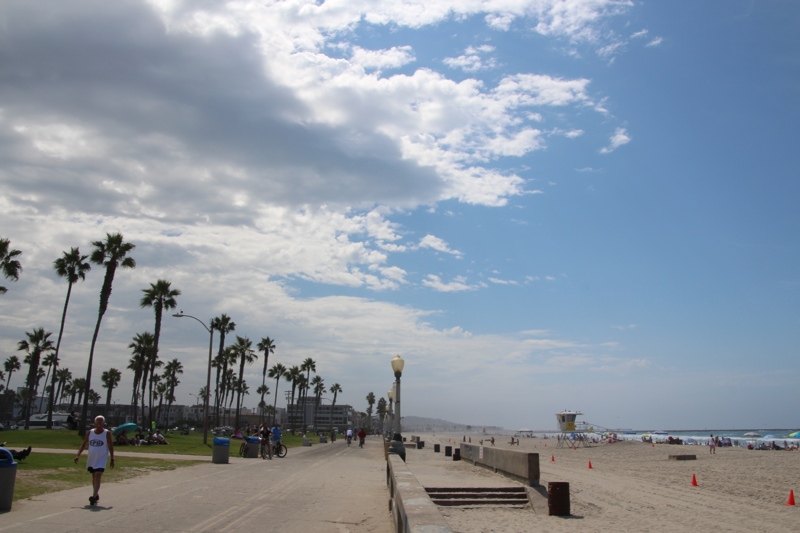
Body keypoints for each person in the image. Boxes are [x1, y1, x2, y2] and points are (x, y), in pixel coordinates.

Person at [75, 415, 115, 506]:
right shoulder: (90, 432)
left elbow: (110, 446)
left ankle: (93, 496)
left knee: (98, 475)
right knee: (93, 476)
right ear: (94, 422)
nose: (99, 423)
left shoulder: (106, 433)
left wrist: (112, 459)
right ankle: (96, 494)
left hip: (102, 458)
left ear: (104, 423)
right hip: (92, 458)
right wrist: (78, 455)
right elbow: (84, 444)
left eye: (101, 421)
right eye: (98, 421)